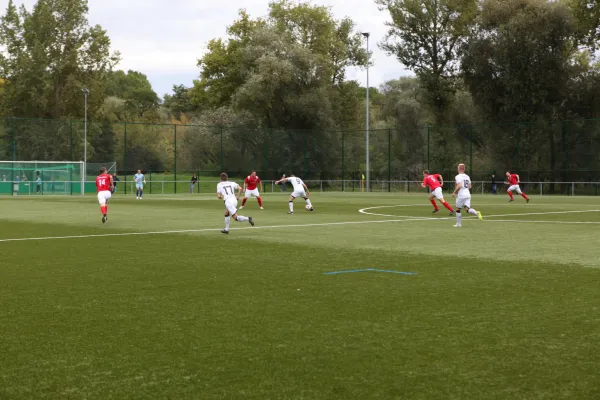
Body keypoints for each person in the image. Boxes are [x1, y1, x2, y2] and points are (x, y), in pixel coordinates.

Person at [451, 163, 483, 228]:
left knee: (458, 209)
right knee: (467, 209)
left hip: (461, 195)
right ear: (464, 169)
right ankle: (477, 213)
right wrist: (465, 189)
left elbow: (459, 185)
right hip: (467, 194)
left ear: (459, 169)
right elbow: (470, 186)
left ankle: (458, 224)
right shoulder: (467, 176)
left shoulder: (458, 176)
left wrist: (454, 192)